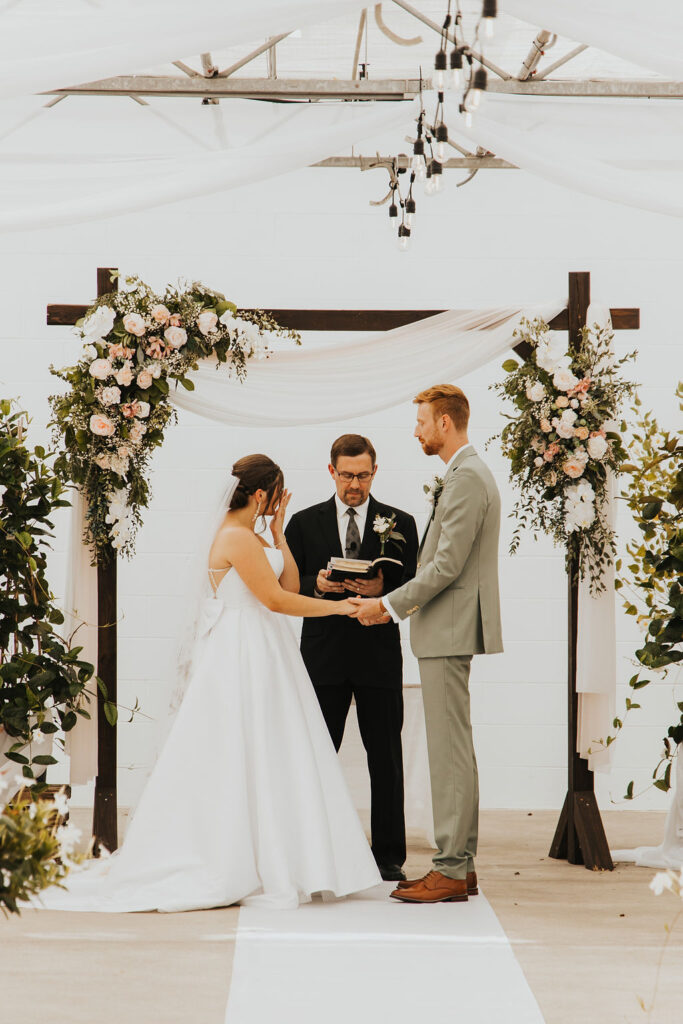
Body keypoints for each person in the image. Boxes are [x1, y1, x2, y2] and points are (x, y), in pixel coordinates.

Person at [35, 455, 381, 913]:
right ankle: (241, 858)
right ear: (261, 494)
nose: (280, 501)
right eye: (277, 493)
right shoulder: (235, 537)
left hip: (268, 650)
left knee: (276, 748)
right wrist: (343, 609)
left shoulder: (255, 535)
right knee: (241, 747)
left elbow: (292, 583)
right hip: (243, 650)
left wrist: (278, 535)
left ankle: (283, 857)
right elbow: (278, 601)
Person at [351, 386, 503, 904]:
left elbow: (444, 567)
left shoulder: (465, 478)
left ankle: (451, 869)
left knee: (448, 753)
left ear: (444, 422)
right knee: (455, 749)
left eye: (420, 422)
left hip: (448, 628)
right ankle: (461, 864)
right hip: (449, 628)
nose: (415, 431)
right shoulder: (466, 474)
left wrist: (387, 605)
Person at [285, 435, 418, 882]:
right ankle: (312, 848)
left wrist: (384, 592)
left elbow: (417, 587)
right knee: (317, 757)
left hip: (378, 655)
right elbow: (286, 585)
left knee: (386, 759)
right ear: (331, 472)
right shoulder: (304, 523)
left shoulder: (401, 521)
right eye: (347, 475)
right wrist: (317, 586)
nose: (354, 484)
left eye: (362, 475)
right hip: (323, 657)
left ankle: (389, 857)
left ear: (374, 472)